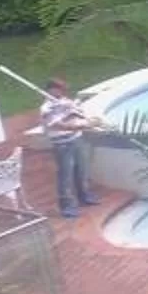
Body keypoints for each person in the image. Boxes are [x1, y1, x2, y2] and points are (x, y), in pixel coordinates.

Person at [38, 78, 98, 218]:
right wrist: (82, 126)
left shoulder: (66, 102)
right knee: (65, 175)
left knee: (81, 170)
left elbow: (78, 115)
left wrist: (86, 121)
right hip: (62, 144)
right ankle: (67, 206)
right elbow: (57, 125)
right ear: (51, 90)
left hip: (76, 139)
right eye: (59, 89)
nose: (63, 92)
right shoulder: (46, 108)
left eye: (64, 89)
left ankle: (84, 196)